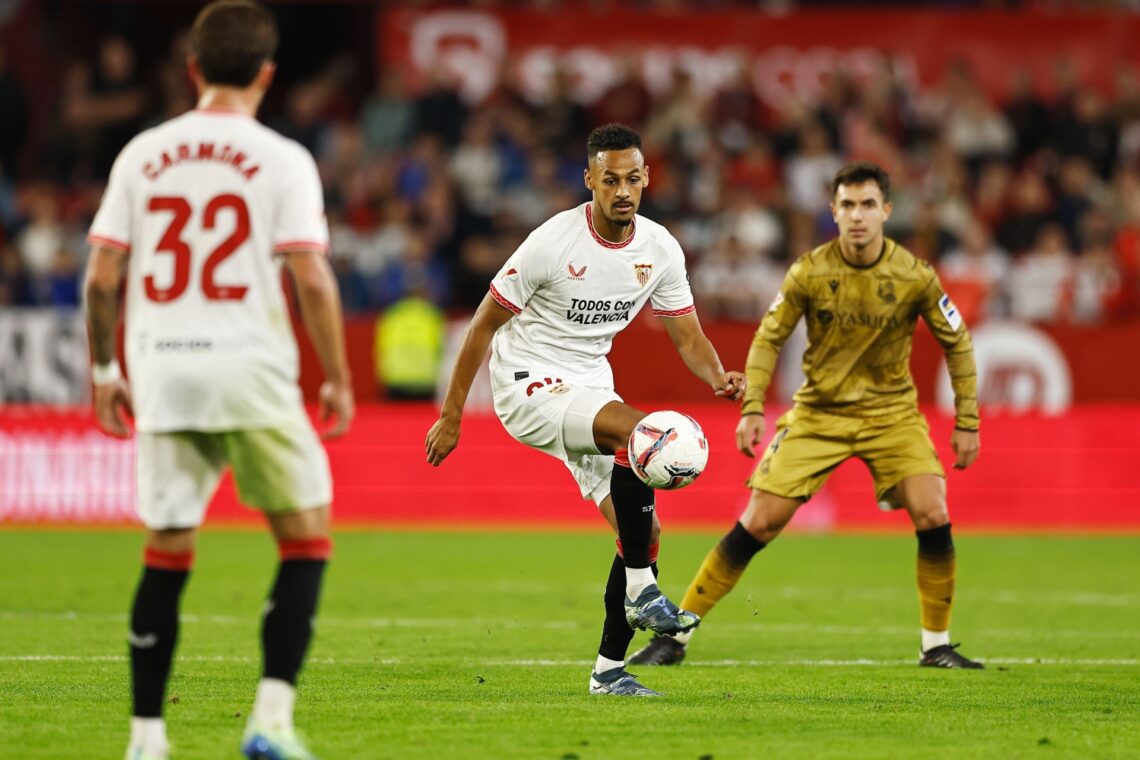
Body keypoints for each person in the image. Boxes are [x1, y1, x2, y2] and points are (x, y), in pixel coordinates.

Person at [83, 3, 354, 758]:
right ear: (268, 73)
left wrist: (106, 368)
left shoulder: (142, 154)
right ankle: (268, 721)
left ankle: (146, 739)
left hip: (163, 368)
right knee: (304, 535)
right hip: (251, 368)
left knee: (167, 546)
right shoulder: (282, 159)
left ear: (193, 68)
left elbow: (103, 276)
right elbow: (313, 278)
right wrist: (335, 376)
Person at [425, 123, 746, 696]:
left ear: (647, 178)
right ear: (590, 181)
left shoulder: (659, 248)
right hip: (526, 383)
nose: (622, 191)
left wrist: (719, 375)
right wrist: (452, 416)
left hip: (591, 384)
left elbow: (689, 338)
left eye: (632, 179)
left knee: (643, 534)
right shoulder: (552, 242)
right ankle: (644, 592)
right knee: (644, 435)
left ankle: (608, 671)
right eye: (609, 180)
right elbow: (481, 327)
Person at [629, 161, 984, 670]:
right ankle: (675, 638)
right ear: (833, 211)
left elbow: (959, 343)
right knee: (759, 522)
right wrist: (752, 408)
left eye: (867, 205)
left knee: (933, 511)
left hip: (892, 416)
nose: (857, 216)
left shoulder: (914, 276)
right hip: (818, 414)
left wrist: (967, 420)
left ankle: (937, 646)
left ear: (886, 210)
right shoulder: (809, 271)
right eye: (847, 205)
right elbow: (769, 338)